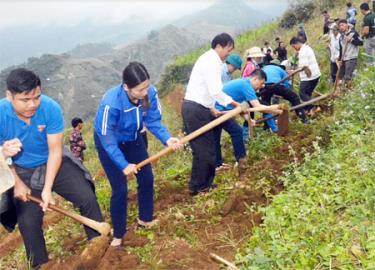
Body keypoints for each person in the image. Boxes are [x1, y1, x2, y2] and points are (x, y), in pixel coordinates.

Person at [0, 68, 105, 268]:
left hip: (54, 162)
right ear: (9, 96)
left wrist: (47, 190)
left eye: (36, 97)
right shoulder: (0, 115)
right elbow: (1, 158)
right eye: (25, 100)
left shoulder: (50, 108)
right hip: (21, 170)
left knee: (86, 197)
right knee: (28, 224)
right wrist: (17, 183)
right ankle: (41, 265)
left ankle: (97, 243)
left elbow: (55, 152)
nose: (32, 105)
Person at [94, 62, 182, 247]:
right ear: (126, 87)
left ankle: (145, 219)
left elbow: (153, 121)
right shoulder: (112, 103)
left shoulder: (150, 94)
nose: (145, 93)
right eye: (140, 89)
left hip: (133, 137)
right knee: (120, 189)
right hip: (109, 144)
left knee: (147, 178)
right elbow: (107, 138)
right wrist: (123, 165)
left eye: (146, 87)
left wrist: (167, 139)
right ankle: (118, 234)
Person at [182, 33, 239, 197]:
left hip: (199, 108)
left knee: (204, 149)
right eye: (228, 49)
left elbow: (207, 90)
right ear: (219, 46)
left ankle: (200, 185)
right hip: (195, 109)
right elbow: (215, 91)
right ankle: (199, 187)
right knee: (204, 150)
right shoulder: (212, 62)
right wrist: (234, 103)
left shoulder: (210, 59)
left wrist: (212, 108)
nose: (229, 53)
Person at [213, 70, 282, 174]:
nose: (262, 86)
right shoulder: (246, 85)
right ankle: (241, 160)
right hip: (218, 111)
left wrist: (249, 120)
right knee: (237, 132)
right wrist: (275, 109)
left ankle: (218, 165)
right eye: (261, 83)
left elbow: (241, 108)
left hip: (217, 109)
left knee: (216, 138)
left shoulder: (242, 83)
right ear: (255, 79)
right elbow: (258, 107)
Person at [290, 37, 321, 115]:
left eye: (294, 47)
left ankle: (314, 107)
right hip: (316, 74)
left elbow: (304, 66)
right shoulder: (307, 48)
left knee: (302, 93)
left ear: (297, 44)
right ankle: (308, 109)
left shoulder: (303, 52)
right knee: (307, 93)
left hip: (309, 77)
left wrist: (294, 72)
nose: (294, 49)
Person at [337, 19, 363, 91]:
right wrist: (339, 60)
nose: (341, 27)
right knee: (339, 75)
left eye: (342, 25)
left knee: (347, 76)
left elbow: (361, 43)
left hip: (351, 57)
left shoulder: (353, 33)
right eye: (339, 26)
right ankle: (338, 91)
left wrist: (351, 40)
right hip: (344, 58)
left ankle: (351, 92)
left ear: (347, 25)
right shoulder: (341, 37)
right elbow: (341, 49)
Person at [360, 2, 375, 67]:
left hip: (370, 38)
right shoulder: (373, 15)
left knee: (368, 55)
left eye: (361, 10)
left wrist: (361, 36)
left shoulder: (366, 18)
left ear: (363, 9)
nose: (361, 12)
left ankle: (370, 67)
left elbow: (366, 31)